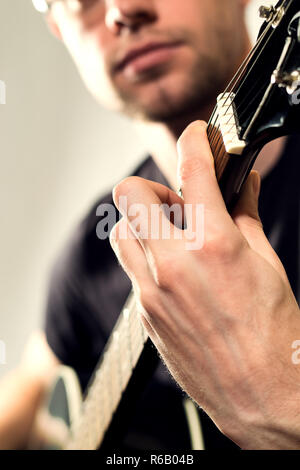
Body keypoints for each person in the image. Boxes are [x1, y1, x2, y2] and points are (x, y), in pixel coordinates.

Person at [0, 0, 299, 449]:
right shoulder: (93, 256)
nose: (124, 9)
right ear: (59, 27)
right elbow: (33, 387)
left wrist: (280, 400)